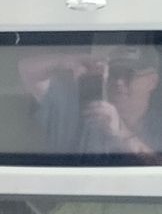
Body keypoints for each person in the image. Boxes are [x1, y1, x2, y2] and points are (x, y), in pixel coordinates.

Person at [16, 46, 162, 160]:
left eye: (130, 74)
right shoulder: (81, 114)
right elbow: (27, 70)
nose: (119, 82)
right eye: (115, 73)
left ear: (152, 80)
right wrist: (67, 60)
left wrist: (120, 133)